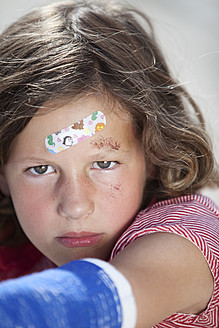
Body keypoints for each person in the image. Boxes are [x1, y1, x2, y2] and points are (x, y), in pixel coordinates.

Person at [0, 0, 218, 327]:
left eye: (103, 163)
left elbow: (92, 301)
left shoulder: (185, 242)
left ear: (154, 155)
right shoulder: (19, 243)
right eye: (41, 169)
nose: (74, 206)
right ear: (2, 174)